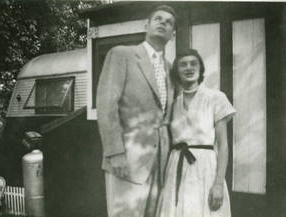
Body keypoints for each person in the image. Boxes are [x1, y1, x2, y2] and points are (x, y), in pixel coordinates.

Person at [96, 5, 177, 217]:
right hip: (127, 159)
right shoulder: (122, 54)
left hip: (159, 161)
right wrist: (115, 153)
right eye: (158, 19)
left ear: (173, 34)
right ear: (146, 25)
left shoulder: (170, 68)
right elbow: (106, 106)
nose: (163, 23)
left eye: (168, 22)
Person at [156, 49, 236, 217]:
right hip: (176, 169)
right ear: (177, 71)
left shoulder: (215, 98)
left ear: (200, 68)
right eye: (183, 64)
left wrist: (219, 183)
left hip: (205, 169)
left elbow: (223, 145)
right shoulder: (172, 104)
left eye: (194, 63)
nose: (189, 68)